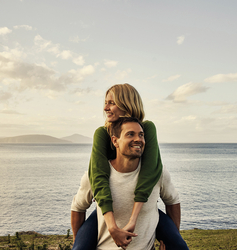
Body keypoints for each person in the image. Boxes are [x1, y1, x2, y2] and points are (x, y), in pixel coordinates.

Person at [72, 83, 188, 250]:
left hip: (144, 204)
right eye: (105, 103)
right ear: (115, 141)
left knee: (178, 246)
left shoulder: (147, 128)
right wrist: (111, 226)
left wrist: (135, 220)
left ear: (126, 103)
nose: (105, 108)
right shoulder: (102, 133)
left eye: (111, 103)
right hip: (106, 207)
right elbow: (98, 177)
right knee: (79, 248)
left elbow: (149, 173)